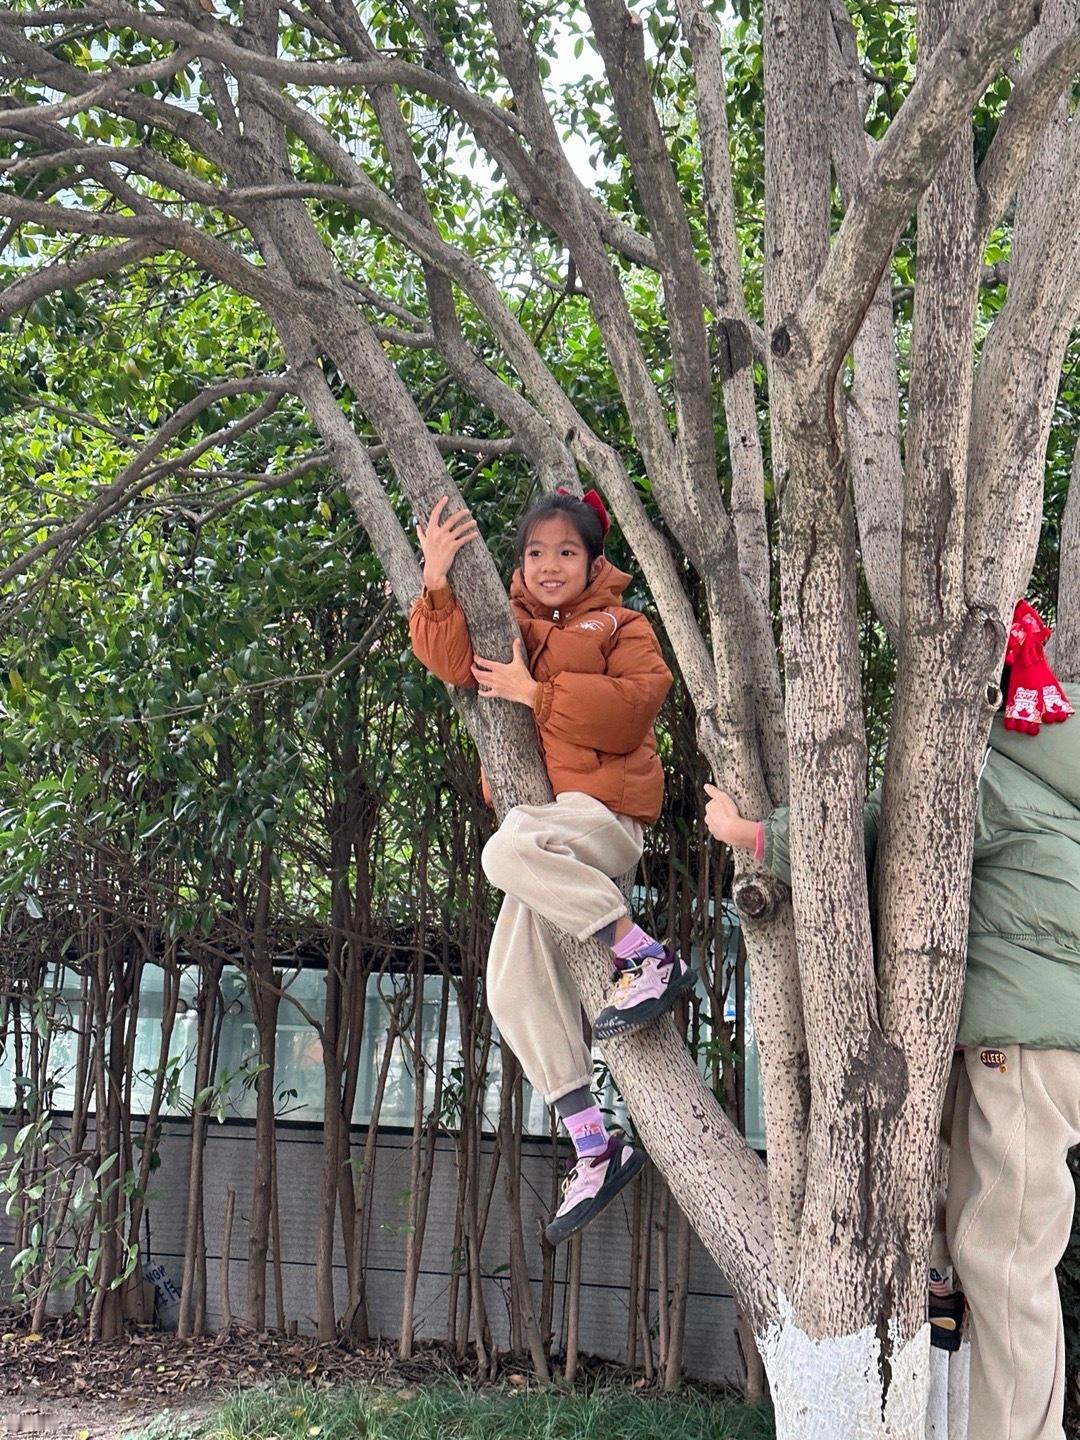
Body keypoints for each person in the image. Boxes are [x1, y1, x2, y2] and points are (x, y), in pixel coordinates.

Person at [703, 598, 1080, 1440]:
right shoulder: (1060, 771)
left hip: (1019, 1049)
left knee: (1009, 1258)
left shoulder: (994, 769)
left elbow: (880, 830)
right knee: (989, 1229)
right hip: (1036, 1046)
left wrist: (753, 834)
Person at [410, 488, 693, 1245]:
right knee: (508, 986)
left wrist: (537, 694)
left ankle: (644, 955)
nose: (549, 566)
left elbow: (638, 704)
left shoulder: (621, 624)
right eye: (535, 552)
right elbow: (447, 660)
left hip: (604, 822)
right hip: (550, 846)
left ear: (594, 562)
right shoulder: (509, 622)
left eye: (567, 552)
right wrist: (435, 579)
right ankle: (594, 1146)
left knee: (505, 846)